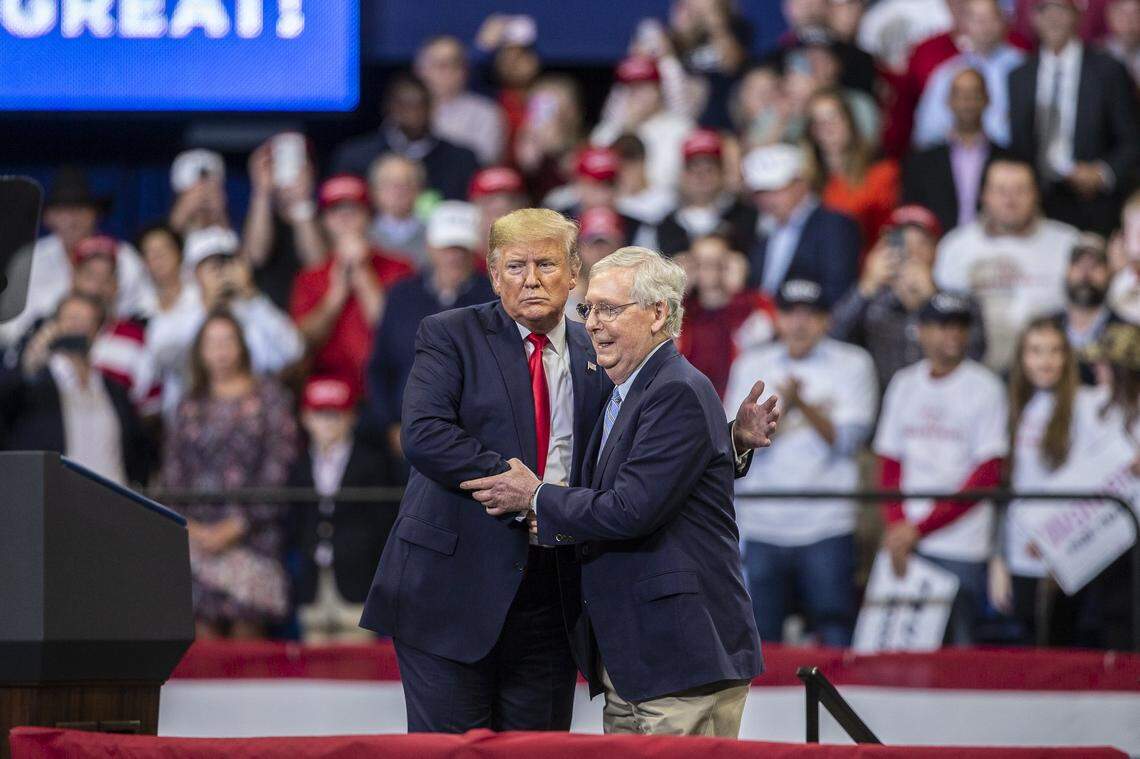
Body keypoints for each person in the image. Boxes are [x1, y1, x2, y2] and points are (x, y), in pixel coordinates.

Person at [359, 209, 777, 733]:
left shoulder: (604, 349)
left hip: (553, 594)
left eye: (546, 264)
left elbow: (645, 456)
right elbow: (424, 435)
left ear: (573, 271)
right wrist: (521, 485)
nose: (531, 279)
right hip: (451, 593)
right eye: (515, 266)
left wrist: (726, 439)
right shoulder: (449, 334)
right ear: (492, 275)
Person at [462, 246, 768, 737]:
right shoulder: (621, 390)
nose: (592, 323)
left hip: (679, 656)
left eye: (609, 309)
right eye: (587, 309)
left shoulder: (675, 391)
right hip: (633, 657)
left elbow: (630, 507)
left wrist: (537, 496)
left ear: (658, 314)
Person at [725, 278, 877, 647]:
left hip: (827, 524)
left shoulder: (853, 363)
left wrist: (800, 404)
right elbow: (733, 442)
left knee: (835, 632)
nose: (800, 323)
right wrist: (787, 407)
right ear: (777, 319)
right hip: (761, 525)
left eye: (811, 314)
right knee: (759, 639)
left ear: (826, 321)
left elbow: (846, 442)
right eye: (791, 313)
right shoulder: (751, 363)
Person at [874, 291, 1009, 645]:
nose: (952, 334)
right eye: (941, 325)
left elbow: (988, 473)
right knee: (901, 652)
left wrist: (916, 529)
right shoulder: (904, 383)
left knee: (960, 651)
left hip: (960, 544)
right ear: (920, 331)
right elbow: (889, 462)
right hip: (905, 539)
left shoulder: (986, 387)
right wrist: (897, 526)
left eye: (960, 326)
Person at [162, 310, 298, 639]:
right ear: (200, 351)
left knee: (247, 642)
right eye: (212, 343)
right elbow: (173, 473)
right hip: (195, 539)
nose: (220, 351)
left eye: (228, 341)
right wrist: (193, 529)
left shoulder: (270, 399)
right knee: (201, 641)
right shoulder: (188, 404)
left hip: (253, 537)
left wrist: (235, 526)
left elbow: (280, 468)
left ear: (242, 346)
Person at [993, 316, 1105, 645]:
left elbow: (1092, 484)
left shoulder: (1086, 406)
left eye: (1055, 351)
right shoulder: (1013, 407)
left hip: (1070, 552)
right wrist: (998, 559)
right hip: (1020, 553)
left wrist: (1063, 545)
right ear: (1022, 358)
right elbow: (1005, 491)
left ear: (1067, 357)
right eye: (1036, 351)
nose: (1046, 360)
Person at [363, 201, 496, 460]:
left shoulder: (493, 298)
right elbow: (380, 365)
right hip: (408, 429)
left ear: (474, 250)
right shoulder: (401, 295)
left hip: (474, 435)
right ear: (430, 246)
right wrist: (391, 424)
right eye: (447, 247)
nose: (454, 256)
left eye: (461, 247)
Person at [934, 158, 1080, 371]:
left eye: (1021, 190)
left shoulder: (1068, 243)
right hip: (974, 371)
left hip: (1052, 370)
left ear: (1036, 194)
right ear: (984, 194)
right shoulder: (956, 245)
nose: (1010, 200)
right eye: (1001, 190)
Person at [1008, 0, 1140, 235]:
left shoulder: (1108, 70)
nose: (1052, 17)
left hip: (1094, 201)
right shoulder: (1019, 75)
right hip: (1038, 202)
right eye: (1043, 9)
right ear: (1033, 19)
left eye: (1060, 8)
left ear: (1077, 16)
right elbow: (1019, 145)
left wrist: (1102, 173)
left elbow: (1131, 139)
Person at [147, 226, 304, 420]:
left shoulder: (253, 308)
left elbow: (293, 350)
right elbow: (163, 357)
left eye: (227, 262)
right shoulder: (177, 313)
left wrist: (252, 298)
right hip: (196, 426)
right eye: (211, 265)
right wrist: (207, 308)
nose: (221, 272)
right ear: (193, 273)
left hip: (253, 421)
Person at [831, 205, 986, 390]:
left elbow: (976, 352)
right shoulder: (872, 302)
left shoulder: (960, 301)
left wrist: (933, 300)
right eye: (902, 243)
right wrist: (866, 287)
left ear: (936, 252)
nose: (912, 253)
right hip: (884, 406)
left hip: (947, 402)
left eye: (922, 243)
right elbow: (833, 342)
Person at [289, 376, 396, 644]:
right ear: (305, 418)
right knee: (312, 657)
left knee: (356, 660)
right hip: (313, 582)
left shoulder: (372, 463)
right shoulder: (298, 466)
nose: (327, 421)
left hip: (358, 581)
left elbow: (383, 523)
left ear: (352, 417)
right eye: (320, 413)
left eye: (336, 414)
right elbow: (294, 521)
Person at [0, 292, 147, 486]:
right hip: (56, 503)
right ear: (54, 326)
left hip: (114, 503)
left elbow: (137, 451)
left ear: (98, 331)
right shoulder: (32, 383)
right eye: (72, 319)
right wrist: (30, 359)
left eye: (88, 321)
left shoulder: (116, 391)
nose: (79, 328)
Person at [1, 167, 155, 347]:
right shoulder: (29, 260)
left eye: (80, 210)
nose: (72, 220)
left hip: (112, 354)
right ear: (48, 218)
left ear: (95, 215)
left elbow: (147, 313)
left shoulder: (125, 258)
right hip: (40, 354)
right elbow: (6, 325)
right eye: (62, 211)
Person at [289, 175, 414, 396]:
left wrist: (363, 274)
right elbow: (302, 342)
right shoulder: (310, 277)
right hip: (329, 388)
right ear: (324, 221)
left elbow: (400, 335)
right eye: (335, 211)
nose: (345, 218)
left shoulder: (400, 267)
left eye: (354, 210)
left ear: (369, 216)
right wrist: (335, 296)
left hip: (390, 384)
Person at [742, 143, 861, 305]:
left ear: (800, 185)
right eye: (760, 192)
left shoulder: (834, 227)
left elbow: (839, 291)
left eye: (775, 189)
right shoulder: (760, 232)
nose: (767, 199)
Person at [331, 73, 479, 201]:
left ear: (432, 108)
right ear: (389, 108)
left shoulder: (462, 160)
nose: (413, 113)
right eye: (404, 105)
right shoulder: (355, 158)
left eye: (420, 104)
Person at [903, 68, 1010, 233]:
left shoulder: (1009, 159)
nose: (967, 101)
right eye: (959, 94)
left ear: (987, 99)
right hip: (938, 248)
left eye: (974, 93)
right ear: (948, 101)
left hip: (995, 246)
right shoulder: (921, 162)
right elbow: (912, 214)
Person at [911, 0, 1025, 150]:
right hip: (961, 158)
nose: (985, 27)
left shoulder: (1024, 67)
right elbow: (927, 133)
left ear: (1003, 20)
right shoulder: (948, 73)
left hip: (1014, 158)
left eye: (991, 18)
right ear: (965, 25)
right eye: (978, 20)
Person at [803, 87, 901, 252]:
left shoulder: (883, 174)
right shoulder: (805, 182)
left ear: (849, 122)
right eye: (819, 123)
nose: (828, 129)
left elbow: (891, 232)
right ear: (812, 132)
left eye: (834, 118)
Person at [677, 234, 774, 398]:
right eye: (699, 262)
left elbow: (765, 330)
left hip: (734, 398)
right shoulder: (682, 308)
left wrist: (737, 291)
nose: (707, 269)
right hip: (688, 399)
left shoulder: (749, 305)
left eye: (716, 263)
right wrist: (676, 288)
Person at [241, 135, 327, 310]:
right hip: (270, 317)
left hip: (312, 316)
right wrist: (261, 191)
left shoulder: (324, 217)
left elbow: (317, 265)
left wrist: (301, 202)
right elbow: (256, 256)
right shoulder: (261, 216)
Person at [590, 55, 694, 192]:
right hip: (613, 201)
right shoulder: (609, 129)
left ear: (658, 89)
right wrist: (627, 129)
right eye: (630, 88)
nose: (635, 93)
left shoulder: (681, 128)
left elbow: (668, 178)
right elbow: (594, 172)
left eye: (642, 86)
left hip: (659, 203)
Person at [655, 129, 757, 257]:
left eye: (709, 169)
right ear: (683, 175)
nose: (702, 177)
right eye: (694, 169)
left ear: (722, 172)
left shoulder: (744, 217)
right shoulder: (667, 225)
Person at [415, 35, 507, 166]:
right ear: (420, 70)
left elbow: (485, 161)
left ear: (465, 70)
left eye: (455, 64)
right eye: (440, 65)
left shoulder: (487, 112)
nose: (448, 72)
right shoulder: (408, 111)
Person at [1049, 233, 1124, 384]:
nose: (1085, 274)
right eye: (1079, 265)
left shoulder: (1126, 332)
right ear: (1067, 271)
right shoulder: (1047, 327)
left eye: (1095, 266)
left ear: (1109, 273)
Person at [367, 154, 429, 267]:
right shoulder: (363, 236)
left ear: (419, 190)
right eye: (388, 183)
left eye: (406, 183)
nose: (397, 191)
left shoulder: (434, 236)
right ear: (374, 191)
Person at [168, 148, 231, 235]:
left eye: (214, 191)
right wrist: (184, 210)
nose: (203, 197)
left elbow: (232, 244)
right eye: (193, 192)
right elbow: (165, 242)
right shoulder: (171, 233)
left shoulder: (228, 231)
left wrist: (219, 212)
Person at [1103, 0, 1140, 83]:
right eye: (1123, 14)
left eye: (1136, 14)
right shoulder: (1097, 54)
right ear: (1110, 17)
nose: (1129, 22)